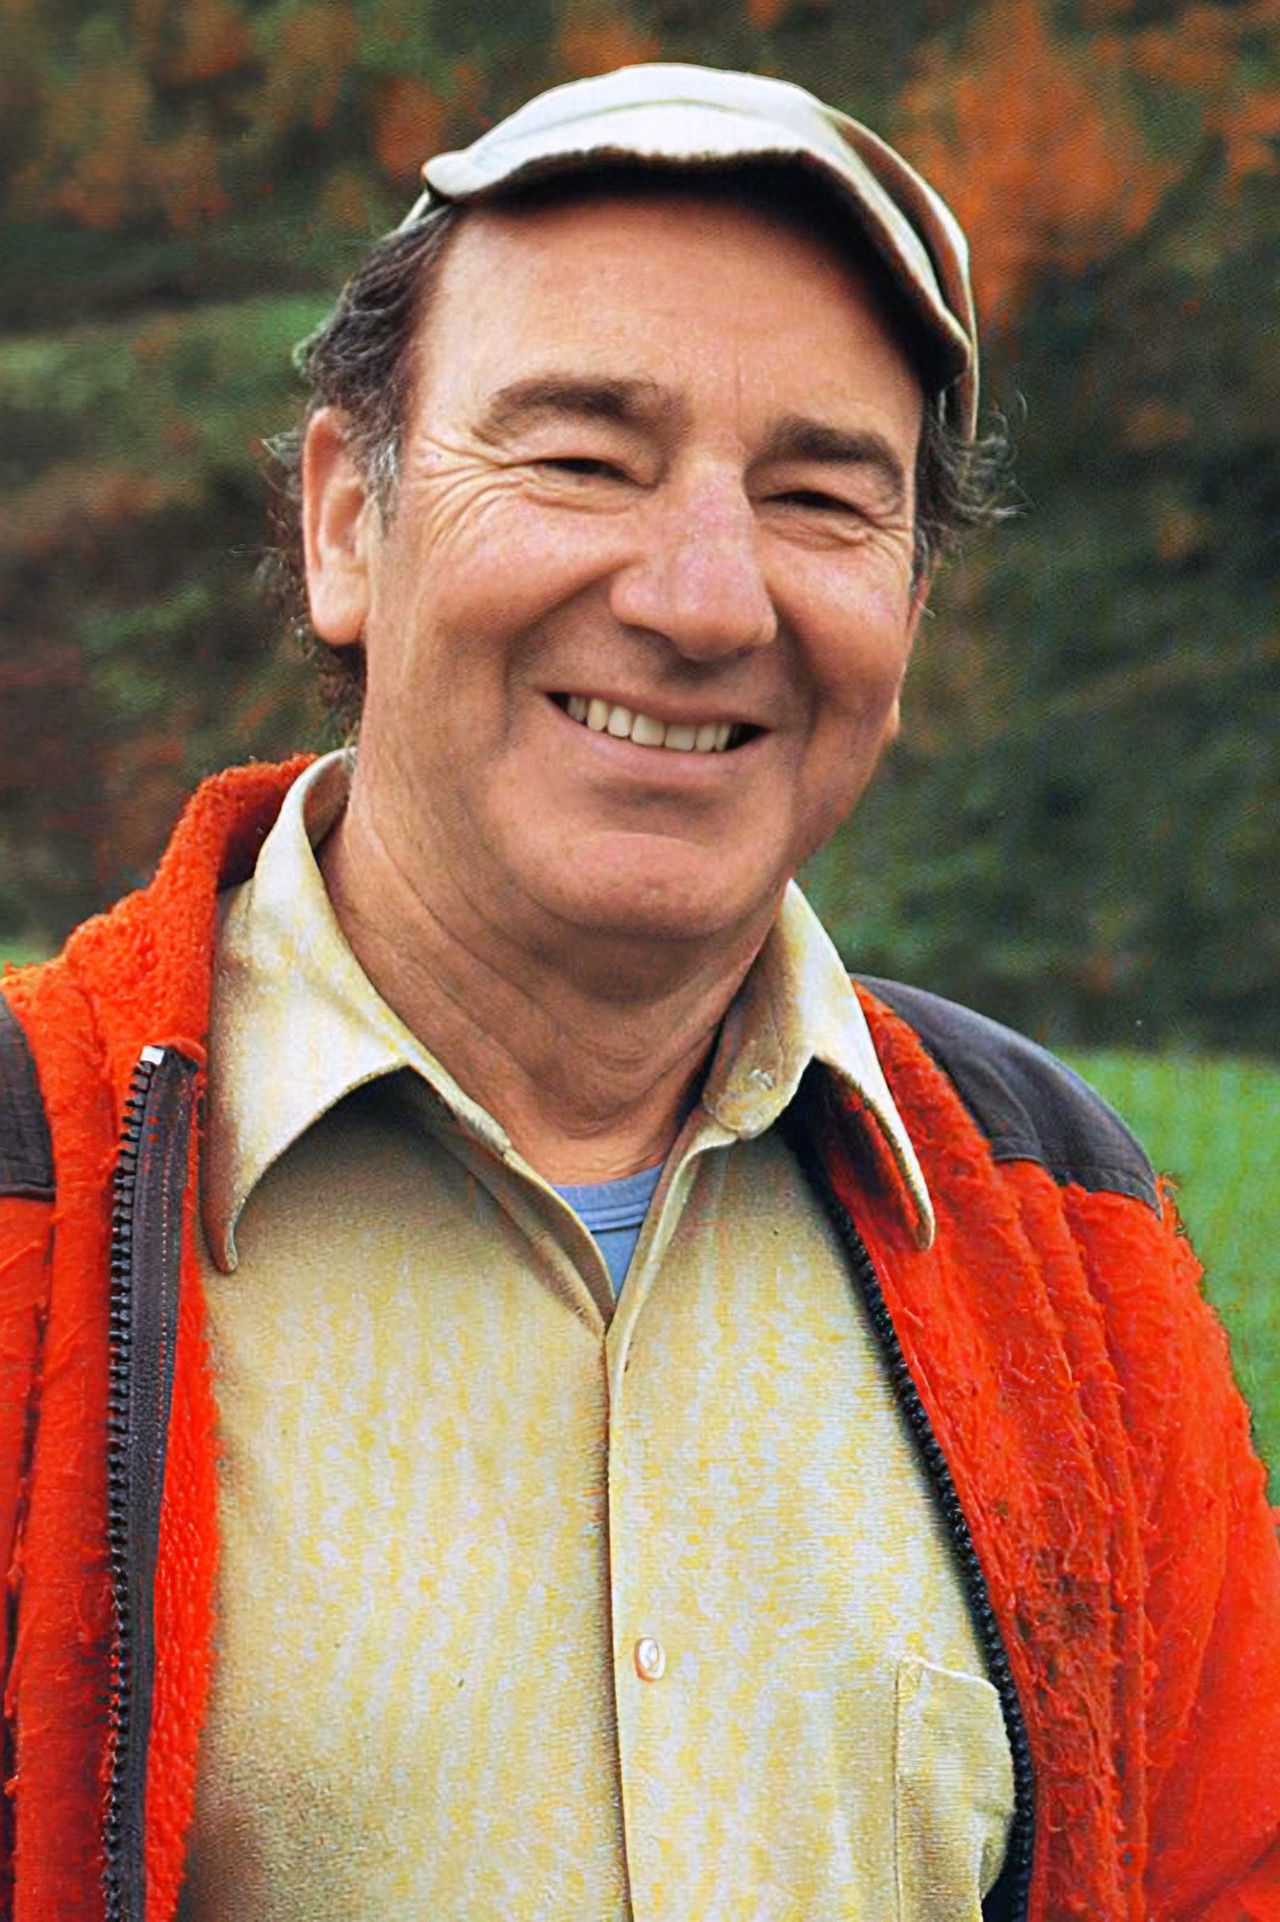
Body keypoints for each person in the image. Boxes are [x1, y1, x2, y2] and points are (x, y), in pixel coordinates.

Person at [0, 61, 1276, 1922]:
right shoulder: (32, 1195)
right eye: (584, 459)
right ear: (347, 524)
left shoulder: (1060, 1230)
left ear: (911, 607)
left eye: (821, 497)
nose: (703, 599)